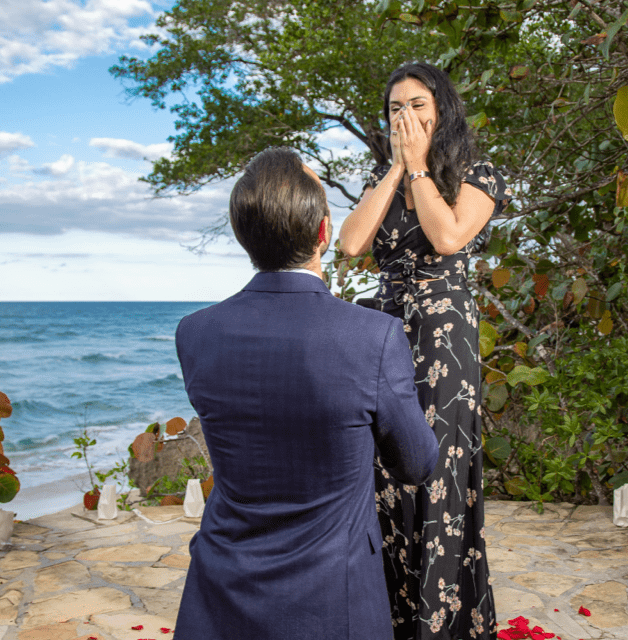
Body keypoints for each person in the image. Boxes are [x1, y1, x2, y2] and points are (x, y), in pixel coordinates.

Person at [172, 147, 439, 640]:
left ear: (244, 236)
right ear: (322, 232)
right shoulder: (373, 336)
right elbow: (416, 464)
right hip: (334, 601)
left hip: (221, 594)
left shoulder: (195, 333)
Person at [339, 62, 511, 640]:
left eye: (416, 105)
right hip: (383, 332)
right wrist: (393, 169)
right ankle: (389, 617)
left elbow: (448, 236)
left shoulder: (477, 171)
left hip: (443, 334)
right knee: (384, 471)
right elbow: (349, 244)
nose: (405, 117)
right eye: (394, 109)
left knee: (438, 472)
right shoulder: (386, 175)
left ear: (442, 108)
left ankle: (442, 623)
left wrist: (417, 167)